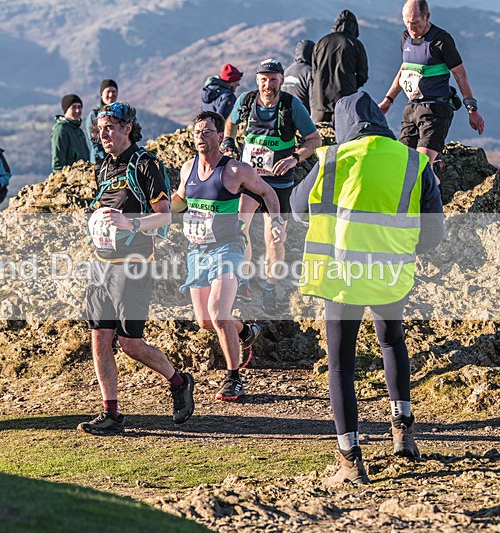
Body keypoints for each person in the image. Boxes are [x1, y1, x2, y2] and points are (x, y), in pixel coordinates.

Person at [290, 91, 444, 486]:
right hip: (392, 274)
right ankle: (403, 432)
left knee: (341, 363)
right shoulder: (412, 160)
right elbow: (434, 233)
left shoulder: (333, 159)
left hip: (342, 278)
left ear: (343, 126)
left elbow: (296, 206)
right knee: (392, 342)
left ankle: (350, 459)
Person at [80, 101, 194, 435]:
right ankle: (111, 413)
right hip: (100, 263)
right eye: (100, 129)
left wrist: (129, 223)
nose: (103, 134)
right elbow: (104, 208)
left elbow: (165, 215)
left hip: (133, 265)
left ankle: (178, 381)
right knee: (99, 336)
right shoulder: (104, 166)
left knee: (130, 343)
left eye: (110, 128)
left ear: (127, 128)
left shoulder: (146, 164)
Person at [172, 111, 285, 401]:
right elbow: (180, 200)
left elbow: (268, 193)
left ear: (220, 137)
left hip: (228, 247)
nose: (201, 137)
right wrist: (153, 210)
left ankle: (234, 378)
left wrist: (276, 222)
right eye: (197, 132)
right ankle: (246, 331)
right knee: (205, 321)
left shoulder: (235, 170)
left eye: (207, 131)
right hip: (197, 250)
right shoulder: (188, 168)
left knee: (219, 312)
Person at [222, 58, 322, 313]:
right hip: (250, 179)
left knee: (274, 238)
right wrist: (228, 141)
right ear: (257, 80)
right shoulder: (245, 101)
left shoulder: (291, 106)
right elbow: (231, 123)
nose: (269, 85)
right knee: (238, 229)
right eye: (264, 80)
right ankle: (243, 281)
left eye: (274, 79)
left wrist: (294, 158)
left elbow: (314, 139)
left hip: (279, 182)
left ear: (281, 80)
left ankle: (269, 287)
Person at [379, 0, 485, 174]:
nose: (411, 28)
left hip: (436, 109)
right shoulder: (406, 37)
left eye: (415, 23)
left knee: (420, 166)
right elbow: (404, 70)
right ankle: (435, 168)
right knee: (401, 165)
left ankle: (431, 179)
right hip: (412, 108)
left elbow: (460, 75)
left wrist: (472, 109)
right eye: (406, 22)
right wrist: (388, 100)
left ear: (426, 17)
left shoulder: (441, 40)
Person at [310, 10, 368, 124]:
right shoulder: (355, 44)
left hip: (320, 102)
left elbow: (314, 72)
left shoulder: (321, 42)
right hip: (345, 99)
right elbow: (363, 75)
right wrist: (352, 85)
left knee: (317, 137)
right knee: (344, 138)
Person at [51, 94, 90, 172]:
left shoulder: (79, 131)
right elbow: (58, 162)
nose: (77, 111)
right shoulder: (61, 129)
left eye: (79, 107)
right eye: (74, 107)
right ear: (66, 110)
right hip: (70, 178)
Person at [86, 79, 119, 164]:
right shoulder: (94, 115)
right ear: (101, 94)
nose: (111, 95)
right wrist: (107, 159)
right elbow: (95, 142)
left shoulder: (120, 113)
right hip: (101, 162)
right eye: (108, 91)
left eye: (114, 91)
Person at [282, 40, 315, 113]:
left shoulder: (286, 72)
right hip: (302, 115)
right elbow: (314, 101)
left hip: (285, 116)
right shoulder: (310, 72)